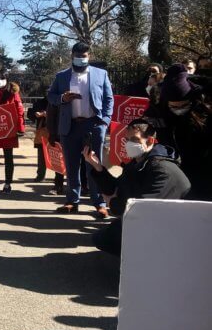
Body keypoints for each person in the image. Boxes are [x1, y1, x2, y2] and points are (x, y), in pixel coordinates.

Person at [83, 118, 191, 256]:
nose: (129, 144)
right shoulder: (138, 162)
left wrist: (113, 203)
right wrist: (97, 167)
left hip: (167, 227)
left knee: (108, 239)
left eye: (134, 139)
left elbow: (142, 207)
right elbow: (116, 187)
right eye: (127, 140)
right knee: (101, 237)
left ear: (150, 141)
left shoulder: (162, 169)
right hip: (146, 219)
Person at [48, 41, 113, 217]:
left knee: (94, 165)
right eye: (77, 56)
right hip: (70, 126)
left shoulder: (101, 74)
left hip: (93, 124)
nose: (80, 59)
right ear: (72, 56)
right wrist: (62, 98)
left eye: (84, 56)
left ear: (89, 56)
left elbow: (109, 99)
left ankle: (99, 203)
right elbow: (51, 96)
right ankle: (72, 201)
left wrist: (105, 121)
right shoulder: (62, 76)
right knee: (71, 165)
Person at [159, 63, 212, 200]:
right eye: (173, 106)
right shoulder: (160, 114)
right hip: (176, 172)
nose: (178, 110)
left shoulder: (205, 113)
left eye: (183, 105)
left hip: (204, 171)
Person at [0, 72, 25, 194]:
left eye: (2, 78)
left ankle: (8, 184)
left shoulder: (13, 92)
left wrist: (20, 128)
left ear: (7, 79)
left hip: (9, 128)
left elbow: (19, 111)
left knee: (8, 157)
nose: (0, 80)